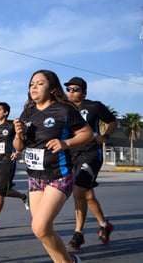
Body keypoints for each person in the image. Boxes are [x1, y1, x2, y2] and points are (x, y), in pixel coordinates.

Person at [13, 70, 93, 263]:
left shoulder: (64, 110)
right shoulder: (28, 112)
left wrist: (65, 144)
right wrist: (18, 135)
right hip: (35, 177)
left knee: (39, 227)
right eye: (31, 83)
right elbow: (19, 147)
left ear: (52, 88)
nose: (34, 87)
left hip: (59, 174)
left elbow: (87, 134)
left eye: (40, 83)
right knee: (42, 230)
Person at [64, 77, 117, 250]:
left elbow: (112, 121)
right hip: (72, 155)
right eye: (69, 89)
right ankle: (104, 225)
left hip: (91, 153)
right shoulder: (64, 108)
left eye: (75, 89)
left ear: (84, 92)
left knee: (78, 190)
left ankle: (78, 233)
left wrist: (105, 136)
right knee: (87, 195)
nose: (71, 92)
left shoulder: (94, 106)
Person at [0, 102, 29, 231]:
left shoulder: (12, 125)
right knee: (3, 190)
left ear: (6, 112)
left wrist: (19, 152)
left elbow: (22, 140)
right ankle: (23, 197)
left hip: (9, 161)